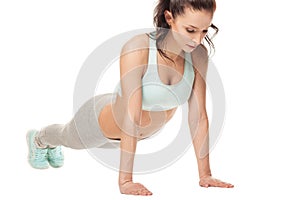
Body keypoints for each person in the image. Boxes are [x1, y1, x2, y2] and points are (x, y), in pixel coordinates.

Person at [26, 0, 234, 196]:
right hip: (100, 124)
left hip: (138, 136)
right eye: (190, 30)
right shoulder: (139, 48)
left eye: (204, 30)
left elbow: (198, 117)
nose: (198, 39)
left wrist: (205, 174)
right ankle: (39, 139)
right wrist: (125, 181)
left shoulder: (198, 55)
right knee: (66, 137)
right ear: (169, 18)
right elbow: (131, 115)